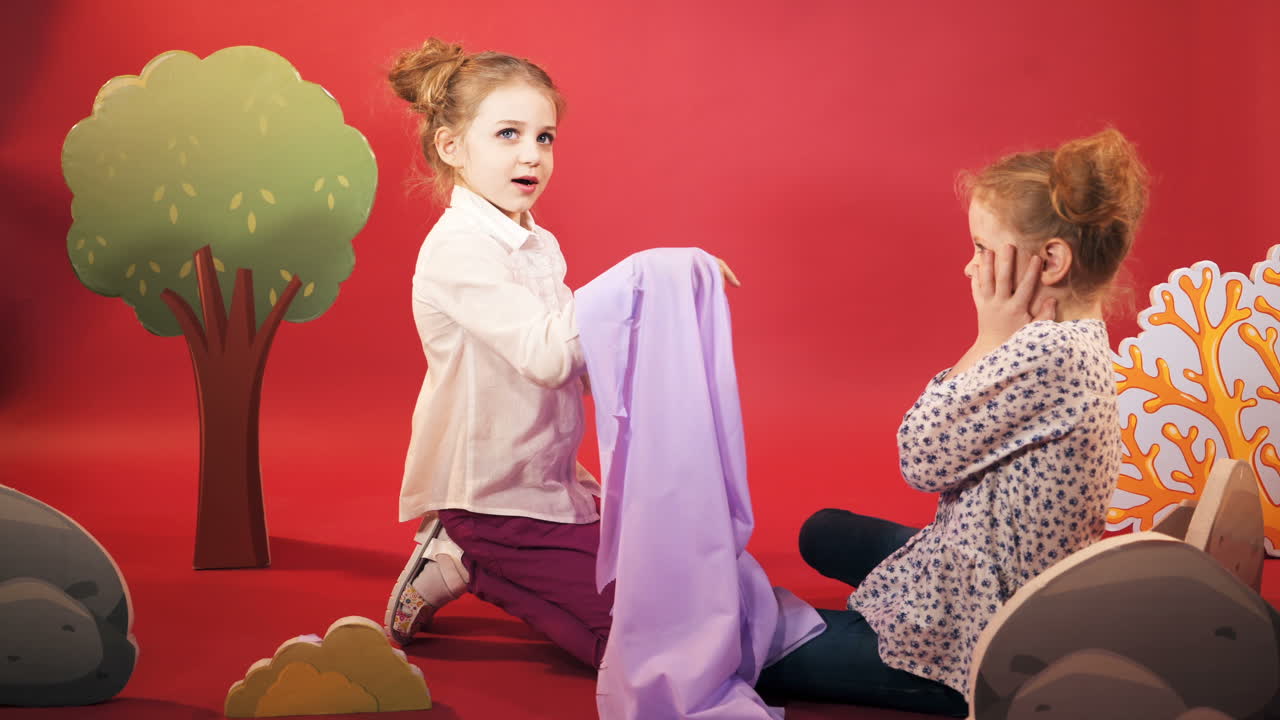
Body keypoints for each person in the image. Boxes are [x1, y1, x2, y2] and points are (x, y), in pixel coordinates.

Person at [756, 128, 1150, 717]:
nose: (970, 268)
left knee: (753, 646)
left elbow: (920, 456)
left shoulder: (1046, 353)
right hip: (976, 558)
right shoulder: (1072, 338)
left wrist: (989, 338)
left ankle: (922, 669)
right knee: (823, 531)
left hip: (984, 634)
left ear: (1049, 262)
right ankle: (902, 586)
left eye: (983, 249)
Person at [381, 38, 739, 669]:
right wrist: (643, 276)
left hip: (547, 479)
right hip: (491, 496)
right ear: (451, 147)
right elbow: (548, 354)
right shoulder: (458, 250)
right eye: (508, 134)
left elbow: (575, 350)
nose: (531, 155)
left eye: (544, 137)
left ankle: (479, 557)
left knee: (682, 594)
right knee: (643, 648)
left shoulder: (533, 239)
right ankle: (472, 558)